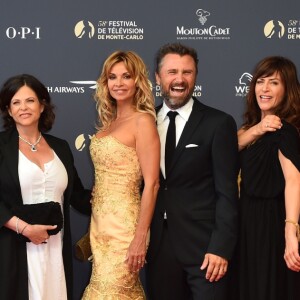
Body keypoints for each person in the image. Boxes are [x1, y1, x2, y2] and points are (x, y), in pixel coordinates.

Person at [146, 43, 239, 300]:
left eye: (187, 72)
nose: (179, 79)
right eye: (172, 71)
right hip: (158, 248)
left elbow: (227, 193)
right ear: (158, 77)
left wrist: (220, 248)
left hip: (205, 249)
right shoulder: (145, 123)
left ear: (195, 76)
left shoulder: (218, 123)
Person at [0, 74, 91, 300]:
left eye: (30, 101)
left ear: (42, 105)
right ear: (9, 110)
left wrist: (111, 194)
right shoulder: (1, 147)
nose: (23, 108)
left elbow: (77, 196)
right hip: (13, 250)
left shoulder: (61, 147)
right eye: (16, 102)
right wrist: (24, 228)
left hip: (54, 250)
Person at [82, 51, 160, 299]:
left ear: (137, 81)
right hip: (100, 225)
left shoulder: (143, 121)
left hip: (126, 227)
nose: (119, 83)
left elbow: (152, 184)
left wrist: (139, 238)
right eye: (112, 77)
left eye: (126, 76)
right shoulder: (108, 123)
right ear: (105, 83)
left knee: (112, 290)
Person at [235, 56, 300, 300]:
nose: (264, 89)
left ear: (287, 89)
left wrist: (290, 231)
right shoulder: (248, 129)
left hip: (269, 224)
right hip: (245, 223)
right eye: (260, 82)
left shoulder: (286, 131)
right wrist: (258, 129)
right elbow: (227, 149)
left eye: (273, 83)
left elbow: (294, 181)